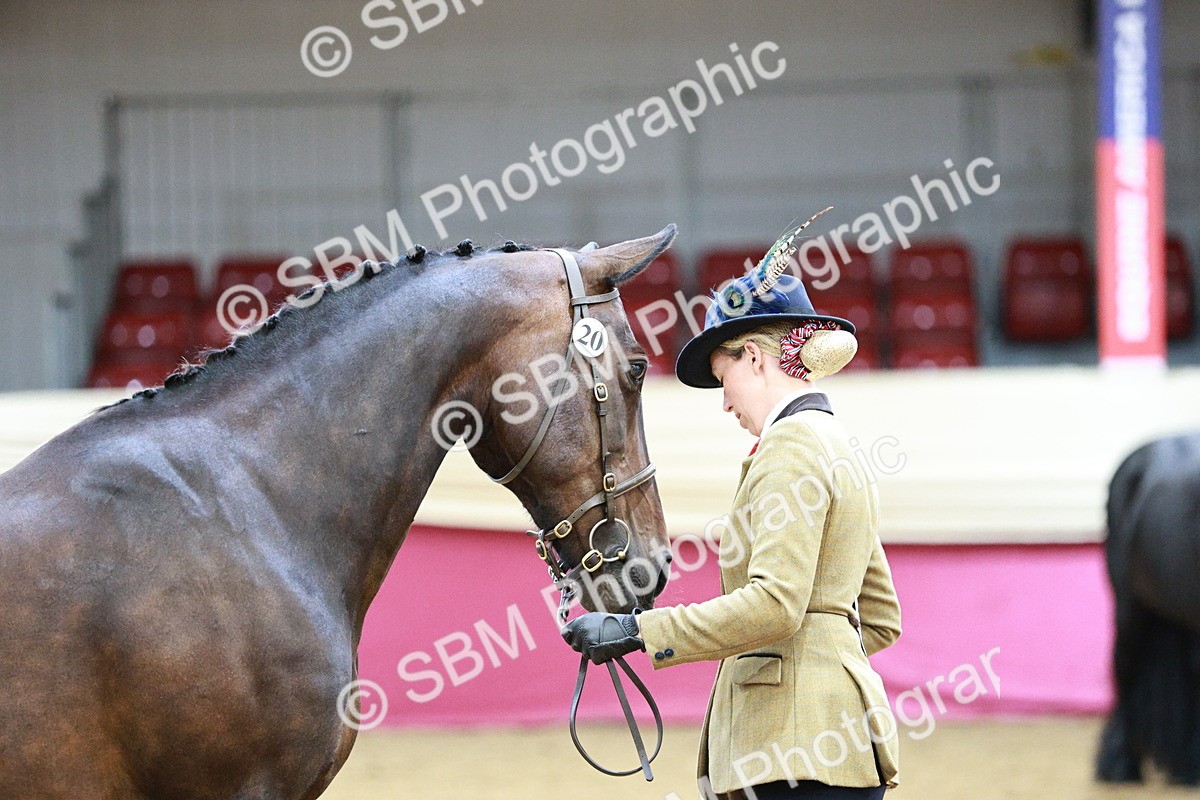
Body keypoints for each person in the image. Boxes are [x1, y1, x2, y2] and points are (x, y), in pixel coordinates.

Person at [562, 217, 903, 800]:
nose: (725, 403)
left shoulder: (790, 447)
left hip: (787, 757)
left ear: (754, 357)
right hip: (843, 748)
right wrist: (825, 675)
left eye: (724, 379)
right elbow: (879, 616)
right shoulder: (838, 444)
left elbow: (775, 604)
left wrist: (635, 630)